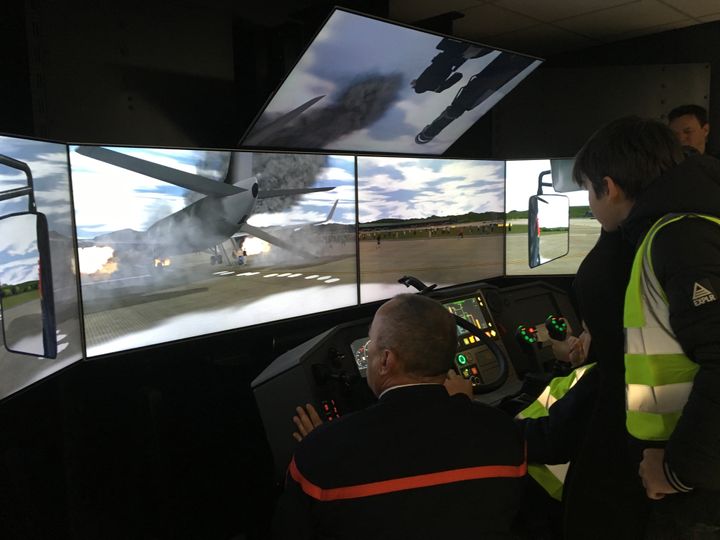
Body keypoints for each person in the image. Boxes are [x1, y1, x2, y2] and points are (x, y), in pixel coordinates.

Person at [568, 116, 720, 538]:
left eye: (588, 191)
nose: (592, 205)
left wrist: (678, 471)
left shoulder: (680, 238)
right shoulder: (682, 224)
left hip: (697, 488)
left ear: (609, 186)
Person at [271, 293, 527, 540]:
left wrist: (318, 445)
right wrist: (462, 406)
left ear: (385, 361)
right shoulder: (505, 434)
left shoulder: (320, 455)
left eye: (371, 343)